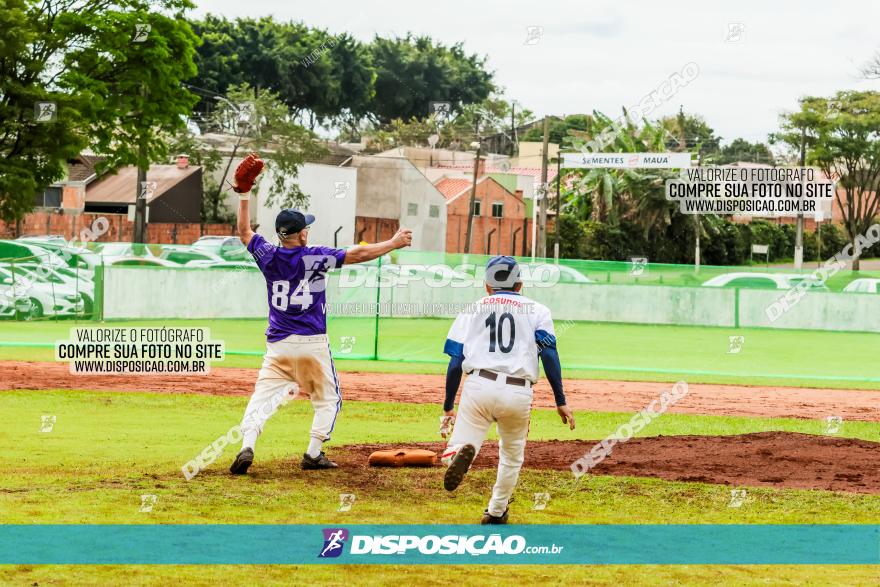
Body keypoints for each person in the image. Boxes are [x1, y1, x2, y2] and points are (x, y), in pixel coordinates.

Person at [228, 154, 412, 473]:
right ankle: (313, 453)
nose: (307, 232)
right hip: (312, 344)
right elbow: (357, 254)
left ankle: (247, 446)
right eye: (305, 229)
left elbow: (244, 232)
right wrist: (393, 243)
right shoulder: (315, 257)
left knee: (261, 399)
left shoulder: (268, 256)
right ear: (300, 235)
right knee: (328, 400)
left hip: (278, 345)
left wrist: (244, 194)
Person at [439, 256, 575, 523]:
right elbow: (549, 356)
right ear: (520, 284)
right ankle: (496, 511)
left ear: (487, 286)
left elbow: (456, 363)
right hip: (518, 390)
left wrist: (448, 405)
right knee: (511, 456)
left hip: (479, 384)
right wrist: (560, 400)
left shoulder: (473, 309)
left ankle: (456, 454)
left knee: (460, 443)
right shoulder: (538, 310)